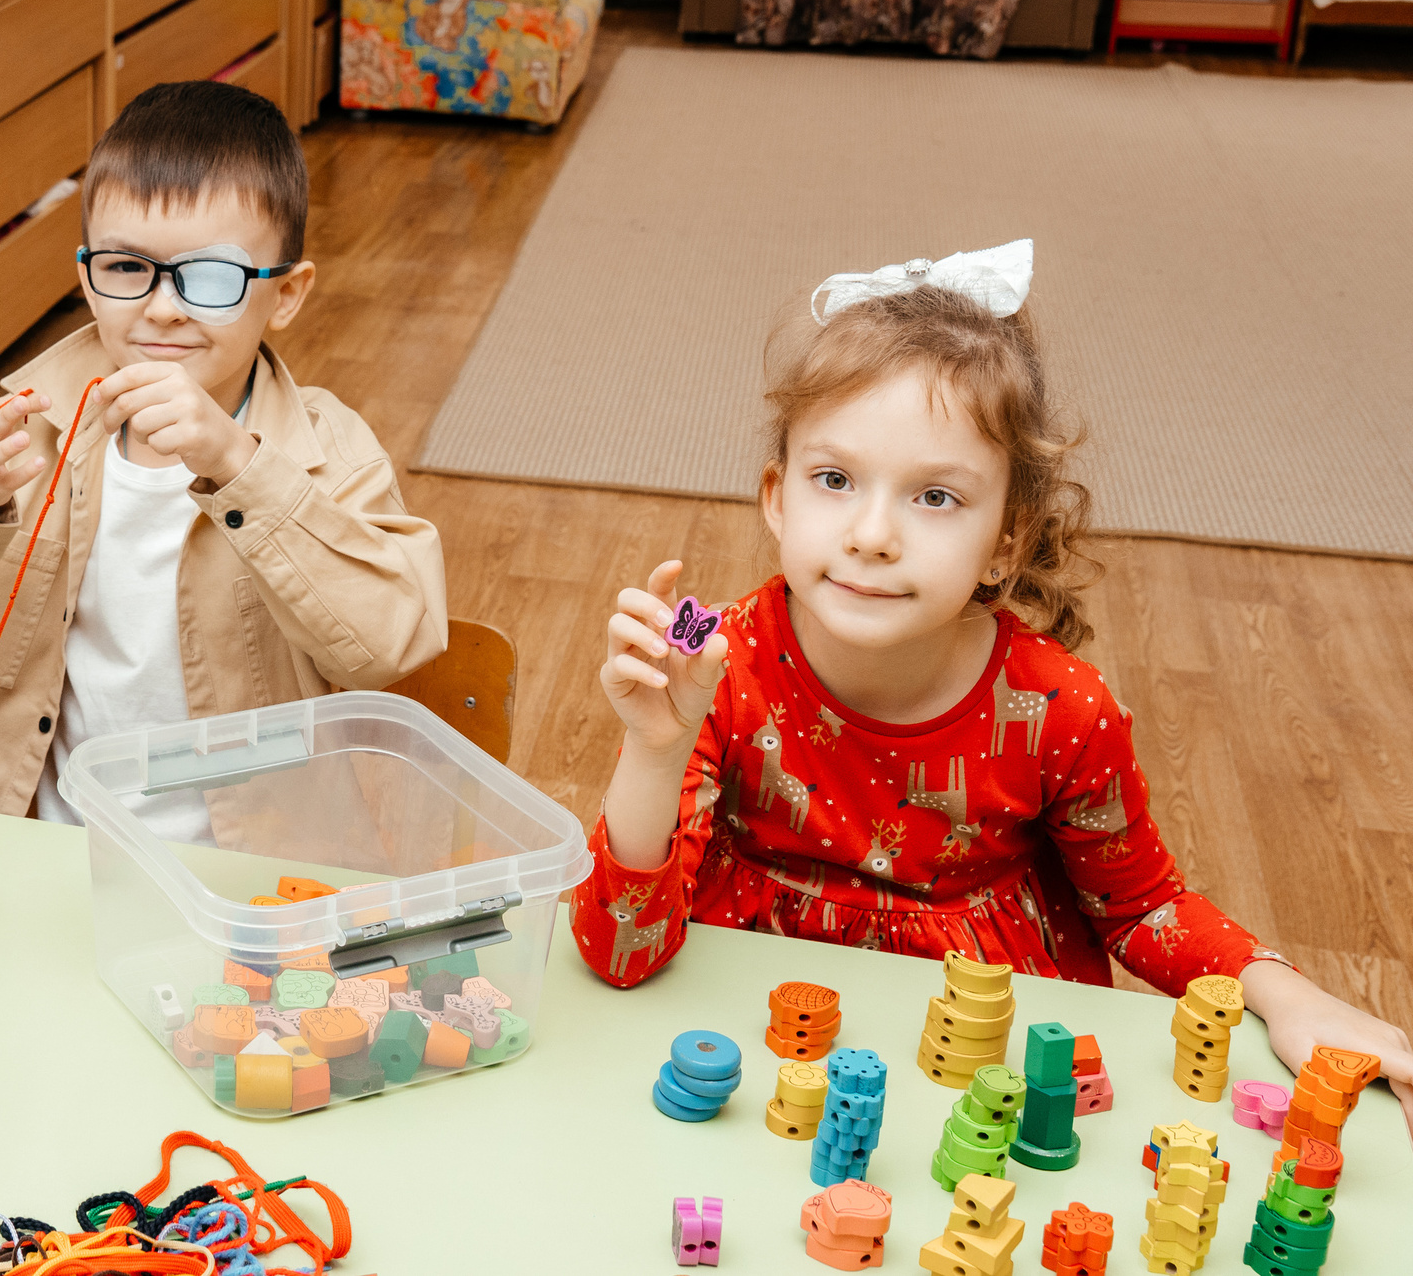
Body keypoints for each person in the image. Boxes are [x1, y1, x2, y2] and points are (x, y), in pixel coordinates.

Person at [574, 240, 1413, 1135]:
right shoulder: (713, 670)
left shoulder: (1063, 709)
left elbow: (1143, 908)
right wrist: (655, 751)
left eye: (935, 497)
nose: (871, 533)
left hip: (980, 1076)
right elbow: (621, 952)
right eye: (835, 479)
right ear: (778, 499)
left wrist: (1290, 996)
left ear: (1006, 540)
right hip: (748, 1054)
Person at [0, 80, 447, 826]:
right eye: (128, 268)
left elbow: (391, 646)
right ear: (88, 279)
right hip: (41, 849)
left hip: (244, 865)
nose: (163, 308)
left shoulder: (330, 450)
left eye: (212, 277)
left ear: (286, 295)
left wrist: (240, 466)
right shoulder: (29, 431)